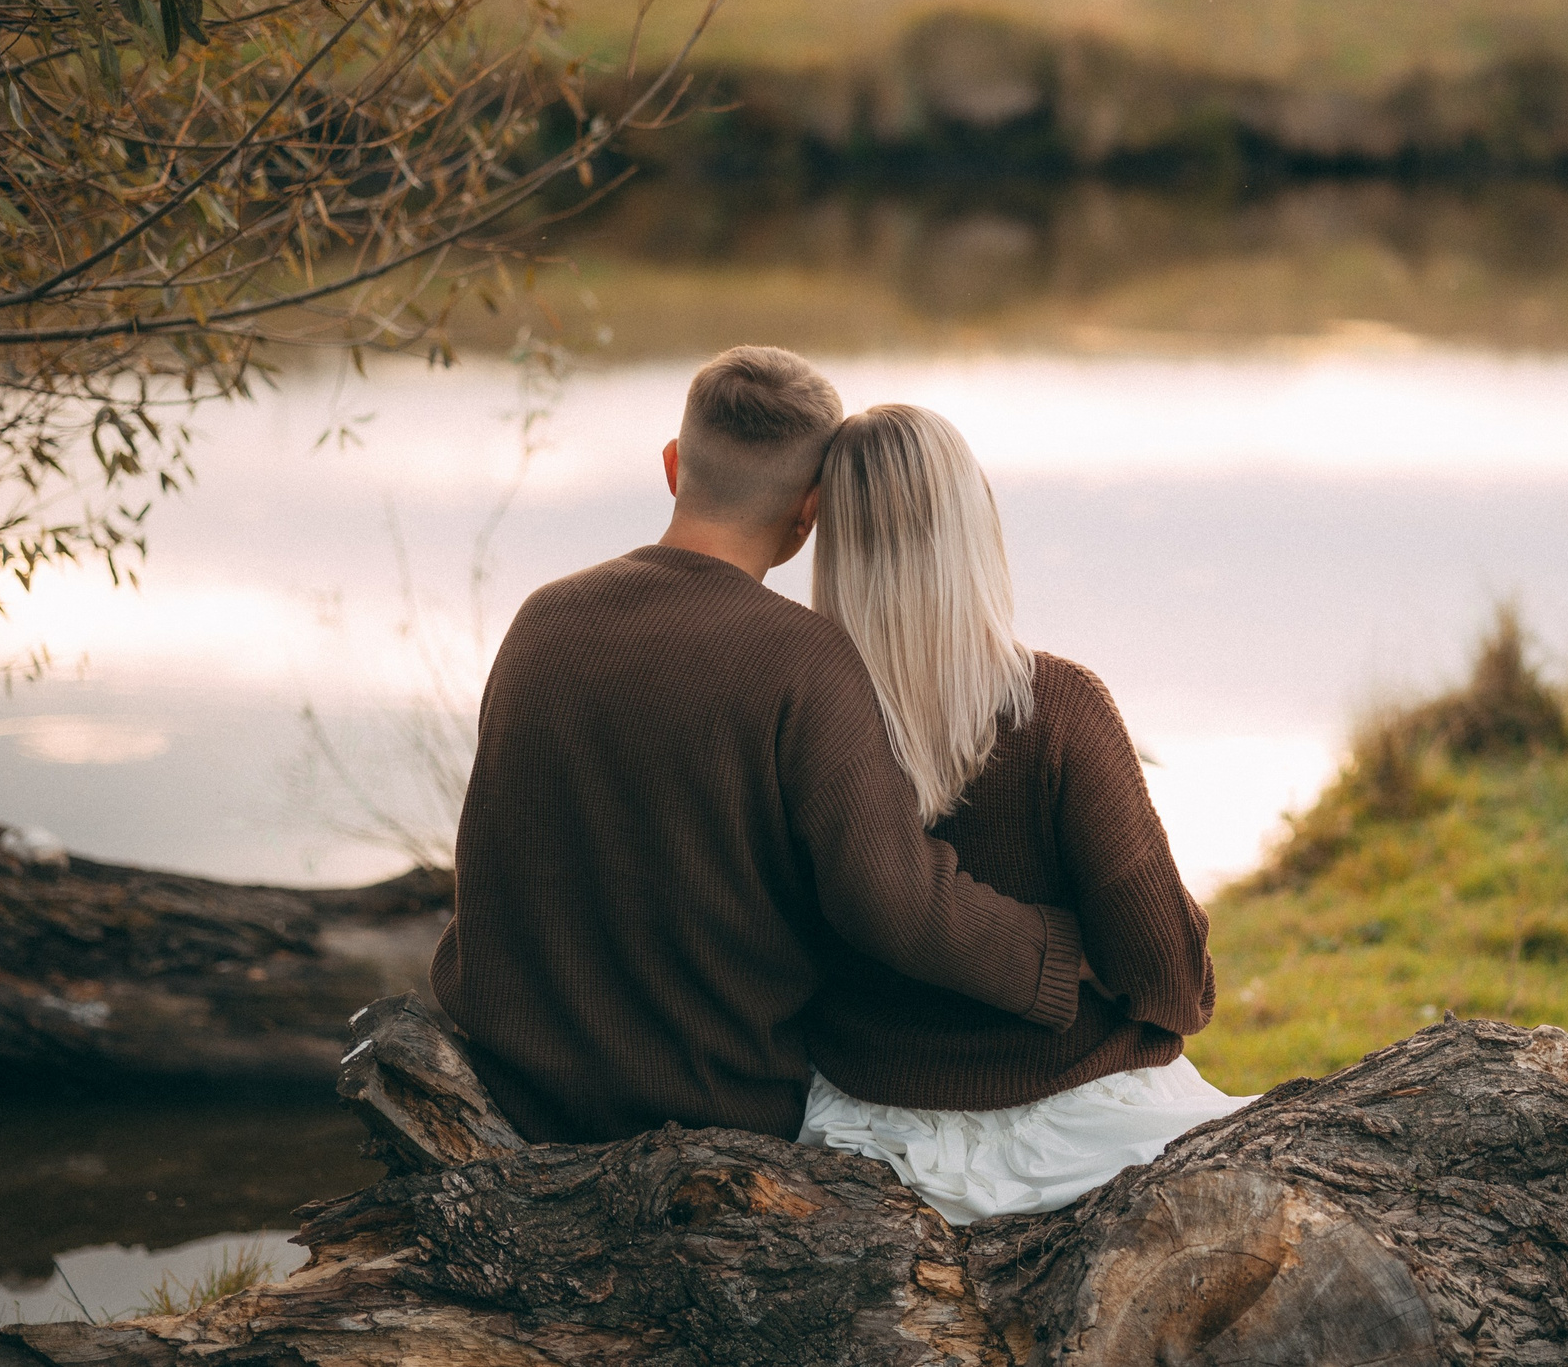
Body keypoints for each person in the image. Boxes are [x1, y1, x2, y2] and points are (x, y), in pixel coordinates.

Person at [429, 348, 1088, 1145]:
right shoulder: (803, 661)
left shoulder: (543, 619)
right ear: (810, 514)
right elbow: (899, 903)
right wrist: (1062, 953)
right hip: (707, 1116)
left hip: (510, 1093)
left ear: (674, 466)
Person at [796, 404, 1251, 1223]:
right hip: (1077, 1129)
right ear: (977, 525)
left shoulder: (797, 718)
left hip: (866, 1127)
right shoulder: (1061, 709)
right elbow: (1172, 983)